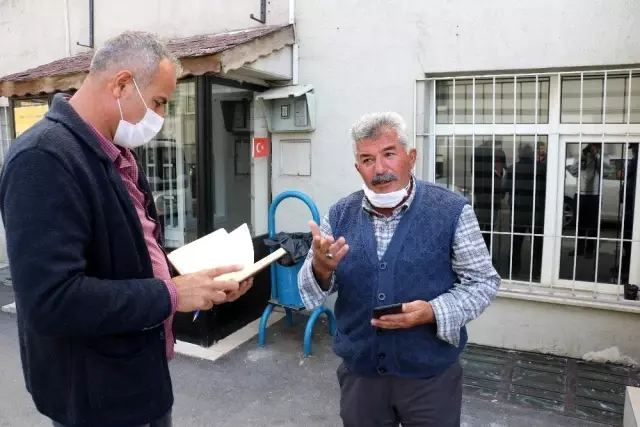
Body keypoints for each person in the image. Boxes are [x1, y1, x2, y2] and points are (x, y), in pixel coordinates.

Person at [0, 32, 253, 427]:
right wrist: (171, 293)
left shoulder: (115, 153)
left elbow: (132, 256)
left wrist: (199, 282)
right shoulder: (43, 158)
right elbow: (51, 300)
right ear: (120, 84)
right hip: (95, 400)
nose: (161, 118)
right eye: (159, 102)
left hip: (138, 379)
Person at [298, 112, 501, 427]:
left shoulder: (452, 211)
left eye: (389, 154)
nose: (379, 169)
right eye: (367, 159)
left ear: (411, 157)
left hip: (431, 381)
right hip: (361, 379)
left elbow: (483, 283)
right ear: (358, 168)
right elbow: (308, 292)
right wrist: (320, 269)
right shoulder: (339, 214)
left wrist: (431, 311)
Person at [504, 143, 547, 280]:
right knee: (537, 243)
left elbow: (506, 188)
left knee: (516, 243)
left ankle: (514, 271)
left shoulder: (512, 169)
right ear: (532, 153)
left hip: (518, 211)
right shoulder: (541, 169)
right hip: (537, 212)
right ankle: (537, 272)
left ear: (519, 153)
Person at [566, 143, 613, 258]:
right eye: (591, 147)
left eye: (595, 147)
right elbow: (573, 172)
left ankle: (590, 250)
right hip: (581, 194)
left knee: (593, 224)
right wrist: (581, 159)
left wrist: (597, 157)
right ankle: (579, 248)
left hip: (595, 194)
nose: (592, 150)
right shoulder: (582, 157)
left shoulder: (603, 156)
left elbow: (607, 172)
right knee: (579, 224)